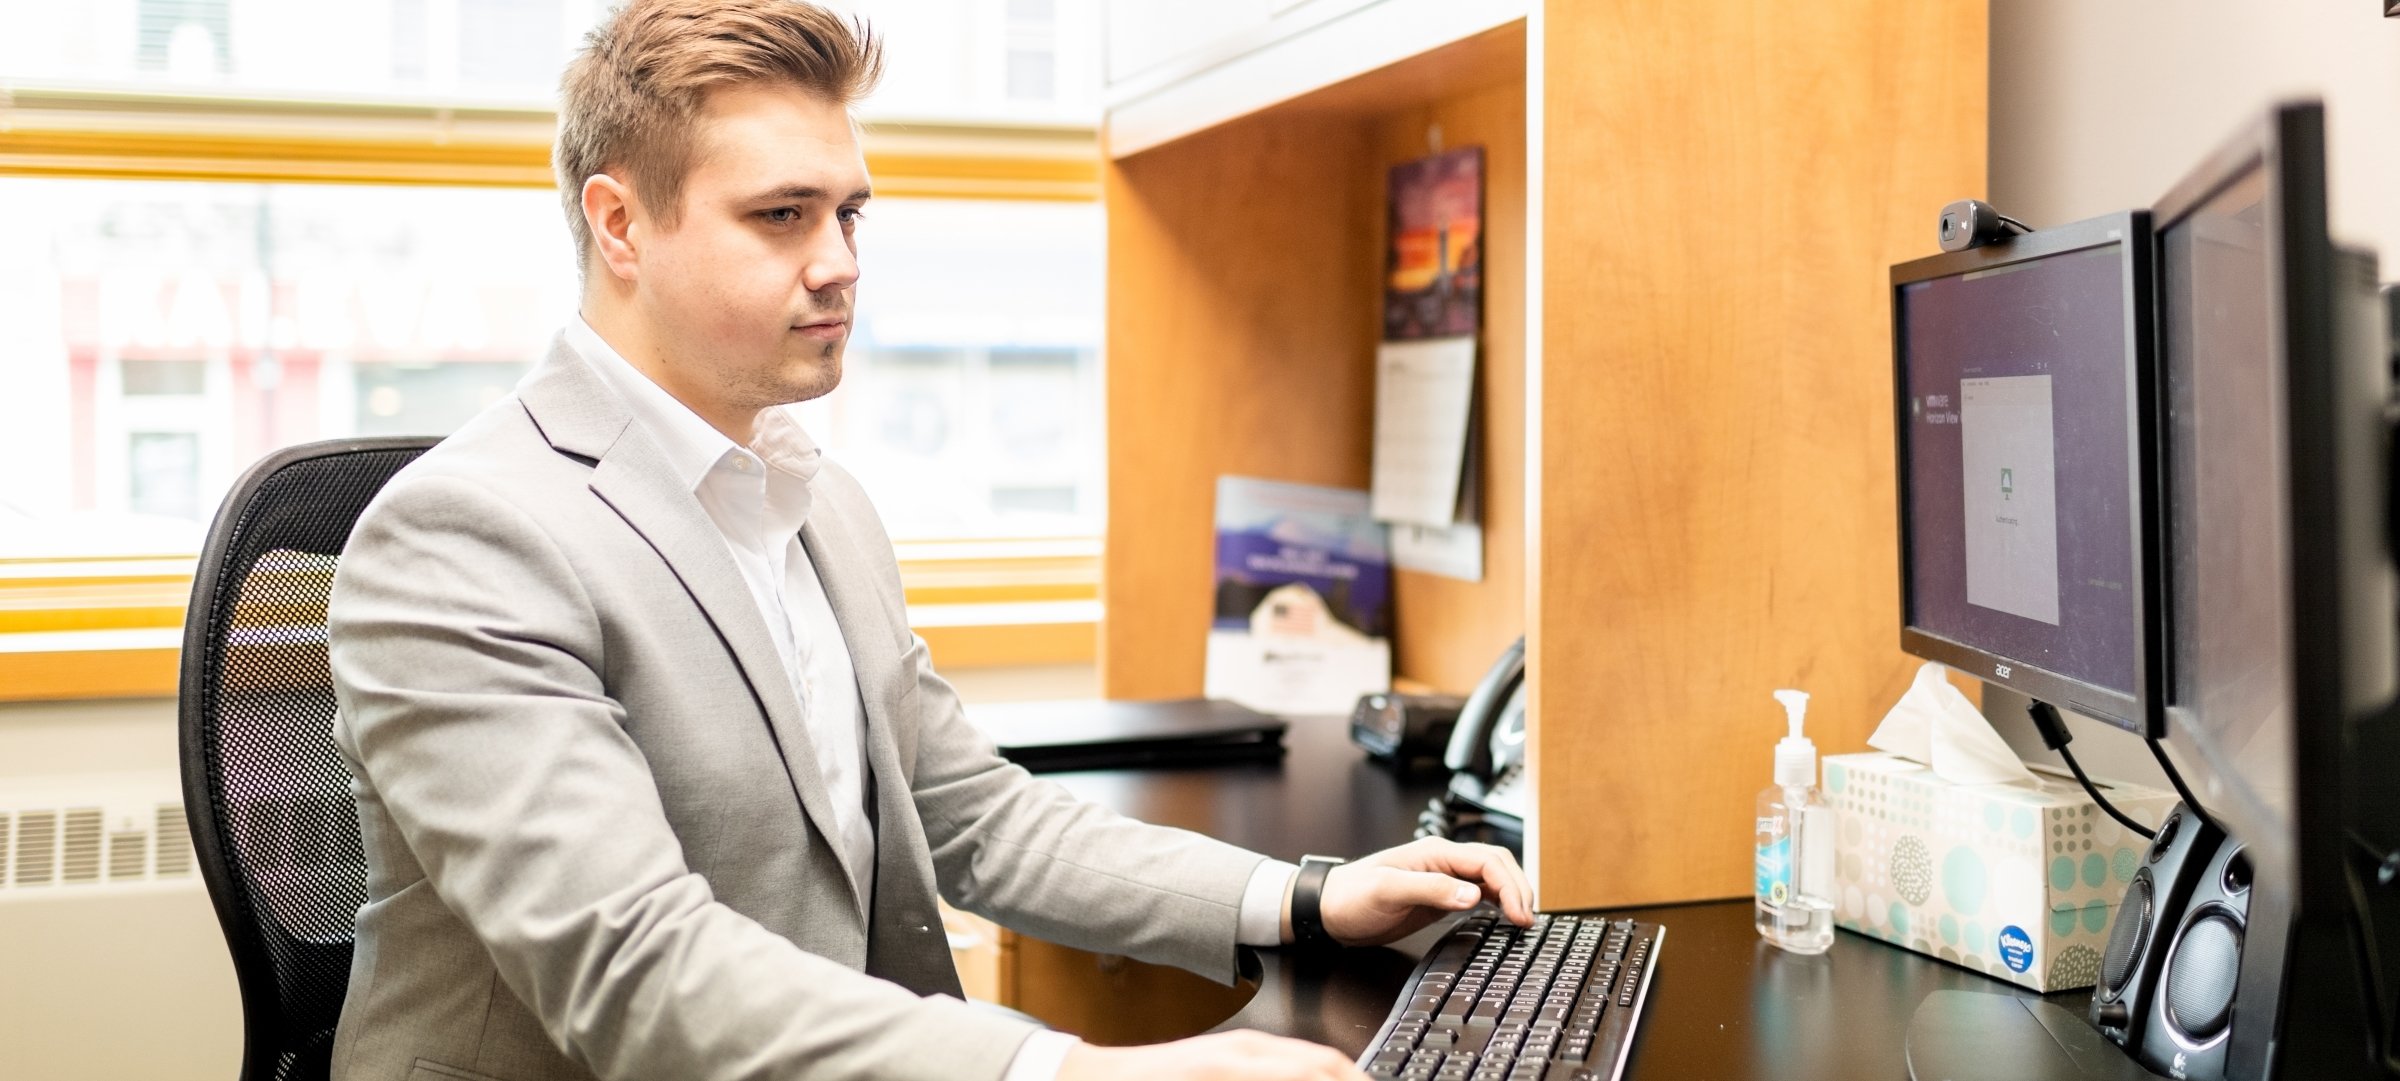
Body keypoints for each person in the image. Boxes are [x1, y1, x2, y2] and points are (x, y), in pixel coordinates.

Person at [325, 2, 1531, 1079]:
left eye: (850, 212)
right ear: (621, 225)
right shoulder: (462, 537)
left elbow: (972, 815)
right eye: (782, 216)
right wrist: (1073, 1074)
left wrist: (1306, 897)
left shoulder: (813, 498)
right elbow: (636, 966)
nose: (840, 263)